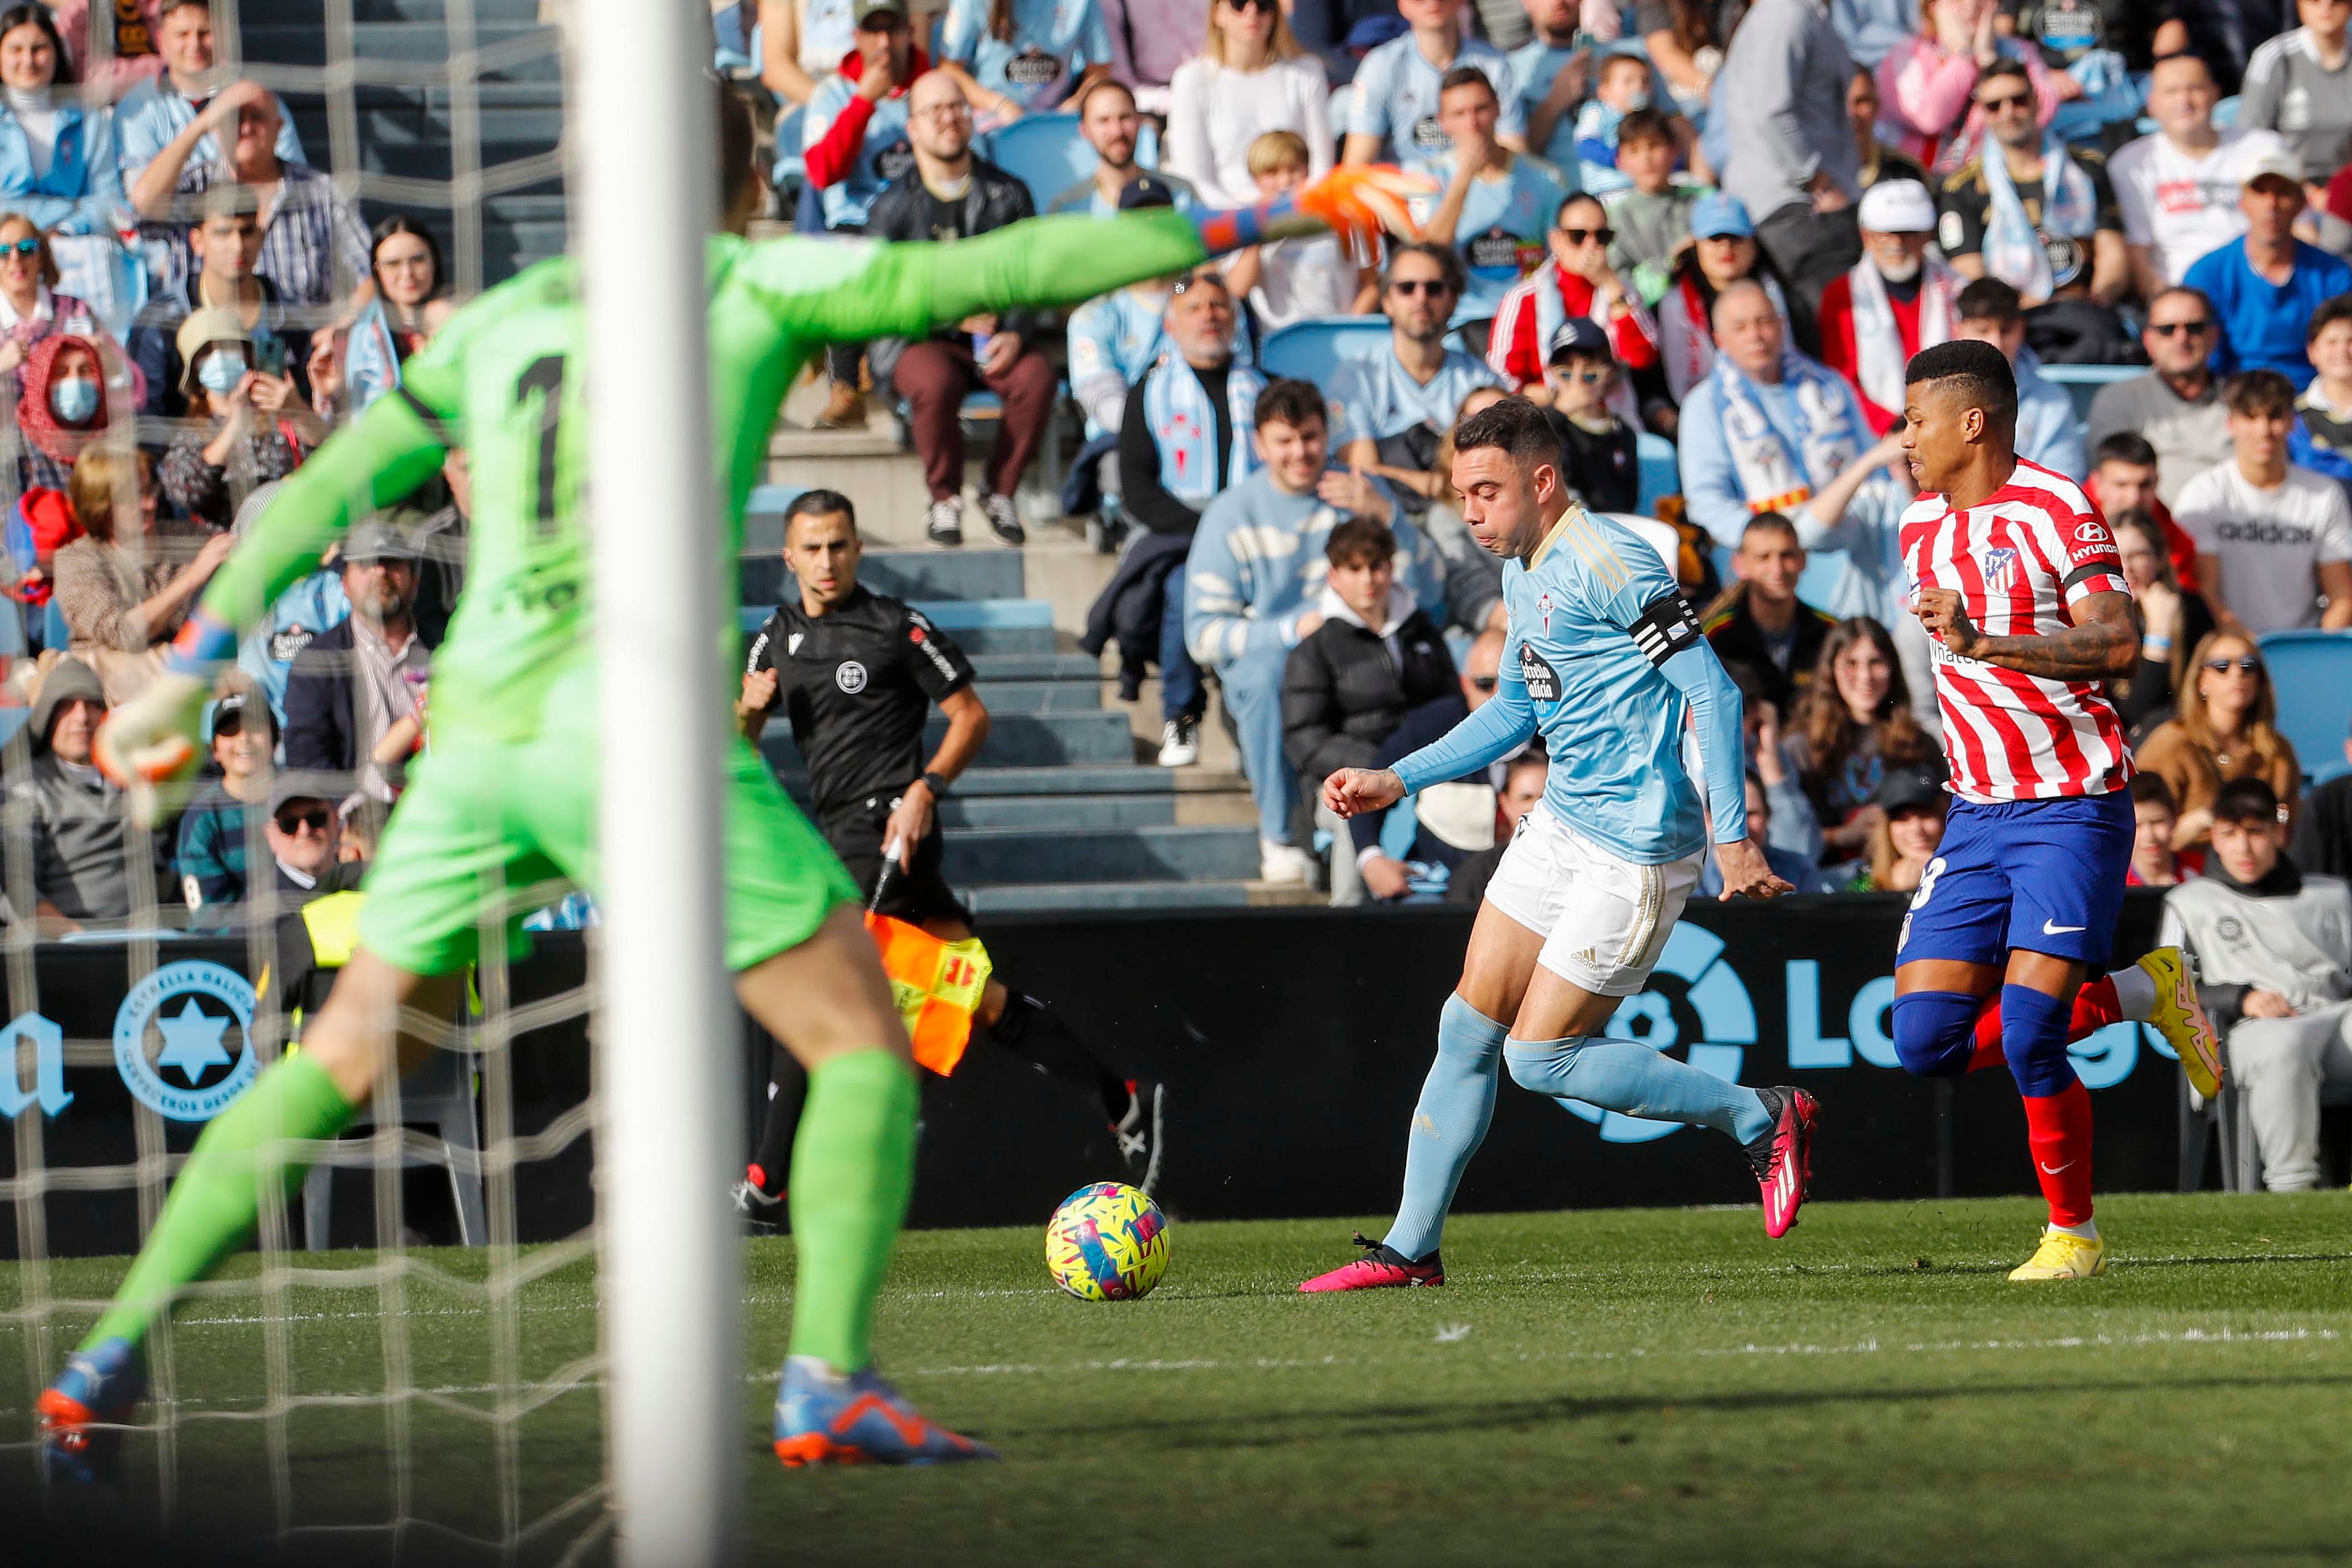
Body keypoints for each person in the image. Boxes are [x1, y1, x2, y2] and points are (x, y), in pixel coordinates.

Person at [50, 88, 1420, 1474]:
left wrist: (188, 664)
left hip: (481, 746)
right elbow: (1009, 267)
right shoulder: (748, 277)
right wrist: (1285, 207)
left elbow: (331, 476)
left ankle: (109, 1352)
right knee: (862, 1048)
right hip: (638, 735)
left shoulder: (509, 317)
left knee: (344, 1056)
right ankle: (824, 1375)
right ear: (744, 175)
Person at [1297, 396, 1817, 1295]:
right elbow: (1515, 711)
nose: (1468, 512)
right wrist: (1398, 780)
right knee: (1465, 1026)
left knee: (1538, 1059)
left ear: (1541, 482)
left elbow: (1714, 694)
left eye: (1486, 491)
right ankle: (1410, 1249)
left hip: (1638, 848)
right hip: (1563, 825)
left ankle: (1760, 1117)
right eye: (1461, 493)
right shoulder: (1523, 566)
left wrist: (1733, 840)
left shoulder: (1612, 562)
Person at [1892, 338, 2221, 1280]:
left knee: (2032, 1032)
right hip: (1974, 813)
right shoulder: (1917, 524)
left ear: (1972, 422)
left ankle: (2072, 1235)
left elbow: (2117, 643)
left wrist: (1988, 641)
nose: (1903, 436)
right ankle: (2140, 988)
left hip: (2070, 803)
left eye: (1915, 419)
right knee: (1924, 1044)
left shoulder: (2056, 505)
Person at [735, 490, 1163, 1214]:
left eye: (838, 545)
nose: (826, 561)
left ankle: (767, 1184)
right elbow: (738, 750)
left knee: (807, 980)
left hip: (888, 836)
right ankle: (1122, 1101)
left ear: (857, 548)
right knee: (981, 999)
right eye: (812, 548)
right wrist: (747, 709)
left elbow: (970, 715)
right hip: (848, 835)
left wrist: (926, 787)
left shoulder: (895, 626)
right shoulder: (777, 638)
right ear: (788, 556)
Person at [1187, 377, 1445, 882]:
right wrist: (1287, 631)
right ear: (1259, 444)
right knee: (1266, 675)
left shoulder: (1357, 491)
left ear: (1327, 435)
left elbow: (1430, 595)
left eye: (1310, 437)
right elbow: (1202, 636)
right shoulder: (1230, 515)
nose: (1300, 452)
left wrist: (1386, 514)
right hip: (1281, 667)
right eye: (1284, 440)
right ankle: (1282, 835)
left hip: (1364, 656)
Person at [865, 71, 1053, 548]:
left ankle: (999, 490)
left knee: (1036, 378)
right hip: (919, 341)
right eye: (935, 110)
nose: (949, 118)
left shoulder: (1010, 193)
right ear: (912, 129)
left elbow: (1032, 278)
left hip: (995, 340)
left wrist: (1015, 331)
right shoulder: (892, 208)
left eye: (957, 107)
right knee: (933, 381)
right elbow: (880, 295)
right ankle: (944, 498)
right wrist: (950, 317)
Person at [2160, 776, 2352, 1192]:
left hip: (2334, 1022)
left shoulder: (2333, 895)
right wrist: (2240, 997)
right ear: (2214, 837)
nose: (2243, 849)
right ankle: (2292, 1190)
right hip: (2242, 1033)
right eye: (2229, 835)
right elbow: (2164, 989)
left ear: (2279, 833)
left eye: (2255, 833)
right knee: (2283, 1045)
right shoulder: (2190, 901)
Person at [1117, 269, 1260, 766]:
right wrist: (1210, 534)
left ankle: (1251, 722)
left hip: (1258, 531)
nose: (1209, 317)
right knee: (1184, 589)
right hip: (1180, 534)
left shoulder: (1266, 390)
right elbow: (1136, 489)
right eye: (1194, 308)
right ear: (1171, 324)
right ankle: (1181, 715)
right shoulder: (1149, 393)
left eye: (1219, 306)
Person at [1282, 515, 1465, 900]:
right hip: (1339, 785)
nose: (1368, 579)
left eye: (1377, 566)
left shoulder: (1422, 632)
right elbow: (1305, 738)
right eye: (1354, 568)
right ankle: (1348, 919)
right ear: (1334, 576)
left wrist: (1410, 768)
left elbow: (1455, 708)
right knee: (1355, 808)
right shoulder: (1315, 649)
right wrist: (1379, 766)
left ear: (1391, 568)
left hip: (1425, 774)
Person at [1933, 58, 2129, 358]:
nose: (2009, 112)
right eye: (1995, 105)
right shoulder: (1963, 187)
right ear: (1982, 114)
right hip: (2009, 325)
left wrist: (2097, 299)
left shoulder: (2087, 168)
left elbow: (2112, 251)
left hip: (2086, 315)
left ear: (2037, 102)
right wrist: (2029, 308)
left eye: (2019, 100)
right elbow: (1970, 274)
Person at [798, 0, 928, 433]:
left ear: (910, 31)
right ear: (857, 37)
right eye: (873, 31)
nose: (884, 42)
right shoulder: (832, 93)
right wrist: (863, 103)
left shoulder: (931, 87)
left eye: (892, 30)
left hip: (922, 218)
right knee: (844, 256)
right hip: (856, 221)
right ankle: (847, 386)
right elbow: (820, 171)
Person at [1679, 278, 1873, 550]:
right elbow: (1707, 501)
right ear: (1719, 340)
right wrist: (1770, 544)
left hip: (1851, 540)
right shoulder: (1704, 405)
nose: (1755, 336)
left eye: (1764, 322)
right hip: (1762, 558)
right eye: (1740, 327)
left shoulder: (1829, 386)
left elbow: (1875, 470)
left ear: (1782, 326)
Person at [116, 1, 303, 276]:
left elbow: (291, 186)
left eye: (205, 33)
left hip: (259, 253)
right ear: (161, 40)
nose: (195, 44)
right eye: (183, 34)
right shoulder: (136, 107)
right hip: (174, 264)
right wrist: (203, 124)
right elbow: (142, 204)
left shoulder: (255, 98)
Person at [156, 83, 369, 311]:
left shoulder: (320, 192)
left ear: (279, 127)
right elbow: (143, 202)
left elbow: (373, 269)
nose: (247, 127)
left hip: (302, 340)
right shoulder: (191, 187)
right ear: (216, 129)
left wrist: (342, 327)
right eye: (235, 118)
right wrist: (199, 126)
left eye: (258, 117)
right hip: (202, 337)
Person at [2175, 368, 2352, 635]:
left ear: (2292, 421)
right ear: (2231, 423)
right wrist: (2248, 653)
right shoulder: (2204, 494)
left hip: (2299, 650)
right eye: (2250, 417)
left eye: (2274, 416)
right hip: (2228, 656)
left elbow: (2341, 595)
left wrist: (2314, 653)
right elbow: (2205, 591)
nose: (2264, 430)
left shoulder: (2324, 494)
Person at [51, 444, 231, 703]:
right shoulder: (77, 561)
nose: (150, 503)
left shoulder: (188, 540)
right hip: (113, 693)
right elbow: (125, 633)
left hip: (190, 679)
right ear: (101, 506)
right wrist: (193, 577)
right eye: (134, 497)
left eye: (149, 490)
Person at [1712, 0, 1863, 308]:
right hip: (1799, 210)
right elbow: (1772, 112)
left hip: (1800, 208)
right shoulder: (1785, 13)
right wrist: (1816, 177)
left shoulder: (1795, 13)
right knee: (1834, 337)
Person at [2111, 54, 2291, 297]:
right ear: (2152, 104)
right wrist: (2172, 312)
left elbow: (2300, 229)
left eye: (2195, 88)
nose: (2184, 100)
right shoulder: (2131, 164)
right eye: (2171, 92)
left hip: (2260, 292)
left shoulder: (2263, 148)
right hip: (2181, 297)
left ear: (2215, 94)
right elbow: (2139, 255)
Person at [283, 520, 434, 803]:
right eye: (365, 564)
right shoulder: (318, 659)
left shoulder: (446, 648)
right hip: (357, 824)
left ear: (415, 580)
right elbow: (306, 754)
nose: (380, 572)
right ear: (345, 584)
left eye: (392, 562)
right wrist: (348, 816)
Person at [15, 654, 169, 928]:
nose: (82, 718)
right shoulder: (28, 788)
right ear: (48, 715)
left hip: (152, 939)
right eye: (67, 706)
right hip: (73, 949)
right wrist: (76, 938)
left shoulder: (136, 774)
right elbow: (18, 888)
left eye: (92, 705)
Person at [1410, 66, 1575, 321]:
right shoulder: (1427, 178)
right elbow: (1428, 257)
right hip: (1459, 321)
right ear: (1443, 122)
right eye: (1459, 114)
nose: (1473, 124)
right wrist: (1464, 177)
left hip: (1529, 320)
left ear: (1498, 108)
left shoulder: (1546, 179)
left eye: (1481, 109)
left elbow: (1561, 257)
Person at [1328, 242, 1501, 476]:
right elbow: (1363, 474)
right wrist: (1432, 485)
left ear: (1453, 301)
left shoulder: (1481, 379)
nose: (1421, 298)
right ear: (1386, 301)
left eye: (1434, 288)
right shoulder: (1356, 378)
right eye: (1407, 288)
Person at [129, 185, 302, 419]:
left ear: (261, 237)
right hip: (189, 452)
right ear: (197, 242)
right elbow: (148, 424)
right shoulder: (162, 322)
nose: (238, 246)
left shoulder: (292, 316)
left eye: (247, 231)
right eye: (223, 233)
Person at [2183, 154, 2352, 387]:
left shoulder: (2334, 276)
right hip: (2232, 400)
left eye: (2282, 192)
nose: (2271, 204)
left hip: (2317, 403)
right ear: (2242, 202)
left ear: (2301, 203)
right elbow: (2202, 358)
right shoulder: (2208, 274)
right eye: (2260, 192)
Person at [1784, 614, 1939, 863]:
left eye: (1876, 662)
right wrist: (1841, 836)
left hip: (1900, 880)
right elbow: (1783, 840)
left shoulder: (1919, 745)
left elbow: (1943, 820)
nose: (1865, 676)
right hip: (1824, 887)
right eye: (1851, 664)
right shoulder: (1800, 748)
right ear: (1830, 670)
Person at [1485, 191, 1660, 411]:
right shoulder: (1523, 299)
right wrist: (1562, 396)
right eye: (1578, 236)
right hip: (1545, 423)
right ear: (1556, 240)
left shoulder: (1620, 289)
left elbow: (1643, 358)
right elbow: (1503, 383)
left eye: (1602, 237)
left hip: (1612, 419)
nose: (1591, 245)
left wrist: (1610, 285)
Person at [2134, 629, 2303, 852]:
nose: (2237, 674)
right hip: (2184, 870)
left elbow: (2291, 831)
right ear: (2201, 680)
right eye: (2222, 666)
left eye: (2248, 665)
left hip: (2257, 871)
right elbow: (2139, 829)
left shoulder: (2277, 750)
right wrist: (2195, 824)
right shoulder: (2171, 743)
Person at [1816, 178, 1962, 433]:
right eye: (1886, 234)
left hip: (1949, 425)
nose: (1897, 244)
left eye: (1908, 233)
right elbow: (1841, 378)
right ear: (1866, 237)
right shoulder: (1842, 295)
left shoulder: (1957, 289)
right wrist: (1892, 426)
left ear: (1927, 236)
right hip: (1873, 435)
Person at [159, 306, 323, 528]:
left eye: (229, 347)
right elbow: (188, 491)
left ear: (247, 355)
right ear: (195, 370)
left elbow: (329, 453)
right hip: (233, 553)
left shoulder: (278, 415)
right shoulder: (192, 434)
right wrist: (236, 424)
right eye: (208, 352)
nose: (220, 357)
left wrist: (297, 408)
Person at [1163, 0, 1332, 209]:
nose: (1252, 11)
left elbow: (1322, 168)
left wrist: (1292, 214)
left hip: (1300, 215)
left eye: (1263, 4)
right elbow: (1195, 181)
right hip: (1228, 222)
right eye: (1239, 3)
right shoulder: (1191, 80)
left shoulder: (1307, 73)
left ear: (1274, 14)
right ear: (1218, 13)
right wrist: (1250, 222)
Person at [2085, 287, 2234, 506]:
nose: (2182, 338)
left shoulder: (2244, 402)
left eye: (2194, 328)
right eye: (2167, 330)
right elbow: (2109, 487)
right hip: (2150, 532)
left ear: (2213, 336)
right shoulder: (2118, 400)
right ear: (2147, 340)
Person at [1874, 0, 2057, 177]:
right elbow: (1928, 119)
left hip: (1994, 179)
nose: (1972, 6)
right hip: (1924, 182)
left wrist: (1989, 62)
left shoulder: (2017, 52)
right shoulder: (1907, 55)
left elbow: (2042, 114)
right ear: (1933, 7)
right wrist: (1963, 59)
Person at [1654, 193, 1792, 415]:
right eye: (1715, 238)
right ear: (1695, 245)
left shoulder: (1784, 296)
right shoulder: (1670, 304)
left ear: (1753, 244)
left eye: (1735, 237)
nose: (1726, 247)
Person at [1341, 0, 1523, 166]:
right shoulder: (1381, 66)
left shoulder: (1495, 66)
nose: (1432, 2)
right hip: (1406, 194)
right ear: (1402, 5)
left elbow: (1514, 158)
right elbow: (1357, 168)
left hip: (1480, 191)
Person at [1223, 129, 1370, 329]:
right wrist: (1258, 231)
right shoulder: (1246, 225)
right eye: (1272, 173)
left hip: (1341, 337)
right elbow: (1237, 289)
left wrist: (1351, 326)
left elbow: (1371, 282)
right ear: (1256, 179)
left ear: (1307, 170)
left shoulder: (1342, 216)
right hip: (1280, 342)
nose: (1285, 181)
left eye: (1294, 170)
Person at [0, 5, 126, 237]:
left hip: (71, 248)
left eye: (38, 48)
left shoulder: (89, 119)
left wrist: (66, 231)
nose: (28, 60)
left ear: (57, 51)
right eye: (15, 49)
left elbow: (106, 199)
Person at [1704, 511, 1837, 718]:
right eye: (1763, 557)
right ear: (1740, 565)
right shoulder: (1713, 638)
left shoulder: (1832, 633)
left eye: (1787, 555)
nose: (1777, 569)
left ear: (1803, 559)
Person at [1951, 275, 2086, 480]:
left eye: (2006, 331)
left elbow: (2065, 480)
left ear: (2021, 329)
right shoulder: (1931, 395)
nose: (1996, 342)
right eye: (1983, 330)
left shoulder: (2053, 401)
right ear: (1958, 330)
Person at [2111, 505, 2215, 734]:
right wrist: (2159, 633)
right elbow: (2132, 715)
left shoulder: (2191, 609)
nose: (2126, 568)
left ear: (2159, 559)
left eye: (2137, 555)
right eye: (2115, 556)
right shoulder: (2092, 619)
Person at [174, 683, 276, 913]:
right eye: (231, 730)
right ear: (215, 750)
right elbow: (208, 919)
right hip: (237, 944)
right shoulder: (202, 818)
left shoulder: (305, 800)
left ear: (275, 741)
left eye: (255, 727)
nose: (245, 738)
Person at [0, 214, 125, 402]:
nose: (16, 258)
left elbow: (122, 376)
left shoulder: (77, 310)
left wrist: (102, 356)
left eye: (26, 248)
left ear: (41, 257)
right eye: (3, 251)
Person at [2235, 0, 2352, 189]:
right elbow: (2251, 139)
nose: (2326, 8)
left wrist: (2339, 195)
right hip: (2285, 186)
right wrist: (2301, 191)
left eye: (2337, 1)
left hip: (2346, 190)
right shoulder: (2274, 57)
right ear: (2299, 5)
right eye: (2315, 1)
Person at [1046, 78, 1199, 218]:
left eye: (1125, 118)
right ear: (1085, 130)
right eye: (1103, 121)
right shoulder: (1067, 209)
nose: (1117, 132)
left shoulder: (1180, 195)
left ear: (1139, 122)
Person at [937, 0, 1113, 119]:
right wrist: (999, 105)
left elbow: (1100, 71)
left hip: (1058, 119)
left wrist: (1075, 104)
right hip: (991, 117)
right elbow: (949, 69)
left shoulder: (1083, 4)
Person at [1540, 319, 1639, 512]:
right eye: (1566, 373)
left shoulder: (1623, 433)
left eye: (1589, 373)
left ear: (1609, 372)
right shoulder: (1547, 427)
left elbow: (1624, 504)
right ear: (1551, 373)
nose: (1577, 383)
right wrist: (1561, 409)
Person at [1603, 108, 1696, 308]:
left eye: (1654, 146)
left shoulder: (1700, 200)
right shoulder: (1616, 218)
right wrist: (1669, 265)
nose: (1646, 158)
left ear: (1674, 149)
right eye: (1634, 150)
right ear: (1620, 161)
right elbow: (1621, 278)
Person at [2088, 430, 2198, 585]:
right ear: (2097, 484)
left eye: (2145, 485)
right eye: (2121, 485)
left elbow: (2186, 590)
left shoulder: (2175, 542)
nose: (2134, 498)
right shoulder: (2064, 524)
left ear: (2157, 482)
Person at [1569, 48, 1662, 196]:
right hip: (1608, 191)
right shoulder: (1597, 112)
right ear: (1604, 91)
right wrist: (1622, 160)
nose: (1638, 87)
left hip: (1642, 192)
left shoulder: (1650, 118)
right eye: (1628, 81)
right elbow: (1585, 145)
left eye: (1645, 81)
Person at [1843, 761, 1948, 892]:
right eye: (1902, 819)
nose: (1916, 830)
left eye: (1925, 815)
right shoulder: (1863, 886)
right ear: (1886, 828)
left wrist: (1942, 877)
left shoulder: (1970, 875)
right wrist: (1895, 892)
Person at [1513, 0, 1591, 168]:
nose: (1559, 2)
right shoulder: (1508, 69)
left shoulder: (1627, 55)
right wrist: (1554, 102)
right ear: (1526, 3)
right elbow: (1514, 160)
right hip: (1552, 189)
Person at [2291, 292, 2352, 491]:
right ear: (2312, 352)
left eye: (2351, 341)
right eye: (2332, 342)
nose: (2343, 351)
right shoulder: (2292, 417)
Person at [1847, 63, 1929, 194]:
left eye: (1862, 101)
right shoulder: (1811, 176)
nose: (1851, 113)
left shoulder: (1905, 174)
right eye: (1840, 102)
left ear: (1877, 106)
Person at [2129, 771, 2189, 885]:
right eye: (2137, 825)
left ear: (2174, 819)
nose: (2149, 836)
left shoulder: (2200, 871)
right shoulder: (2113, 882)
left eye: (2157, 822)